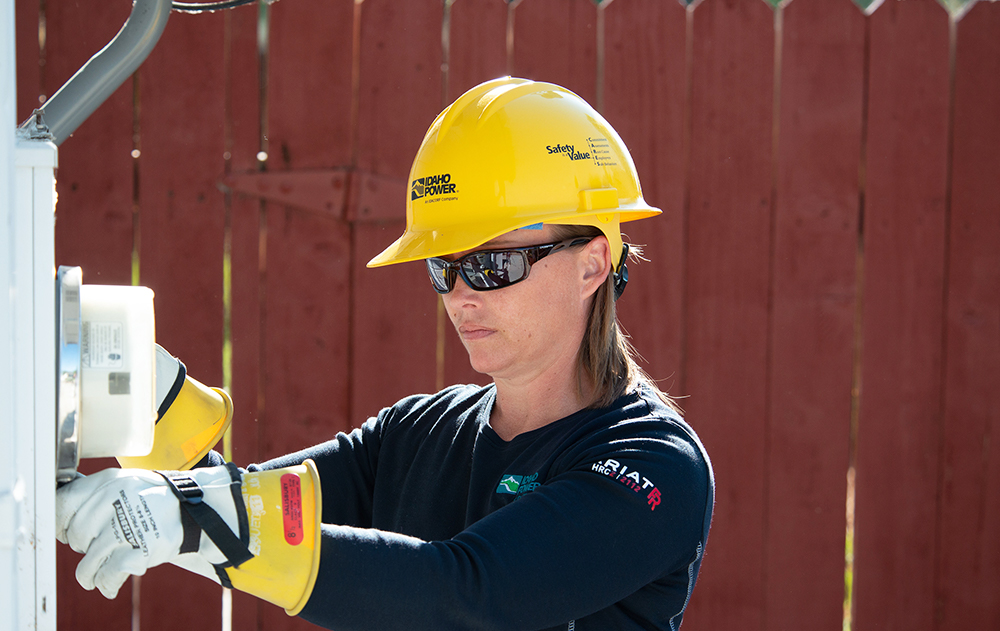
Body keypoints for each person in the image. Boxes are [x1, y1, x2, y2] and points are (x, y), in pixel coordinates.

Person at [56, 77, 714, 631]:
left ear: (592, 264)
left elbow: (461, 590)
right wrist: (146, 396)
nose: (460, 296)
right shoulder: (414, 434)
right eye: (442, 268)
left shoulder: (654, 467)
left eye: (491, 265)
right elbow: (254, 511)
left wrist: (196, 515)